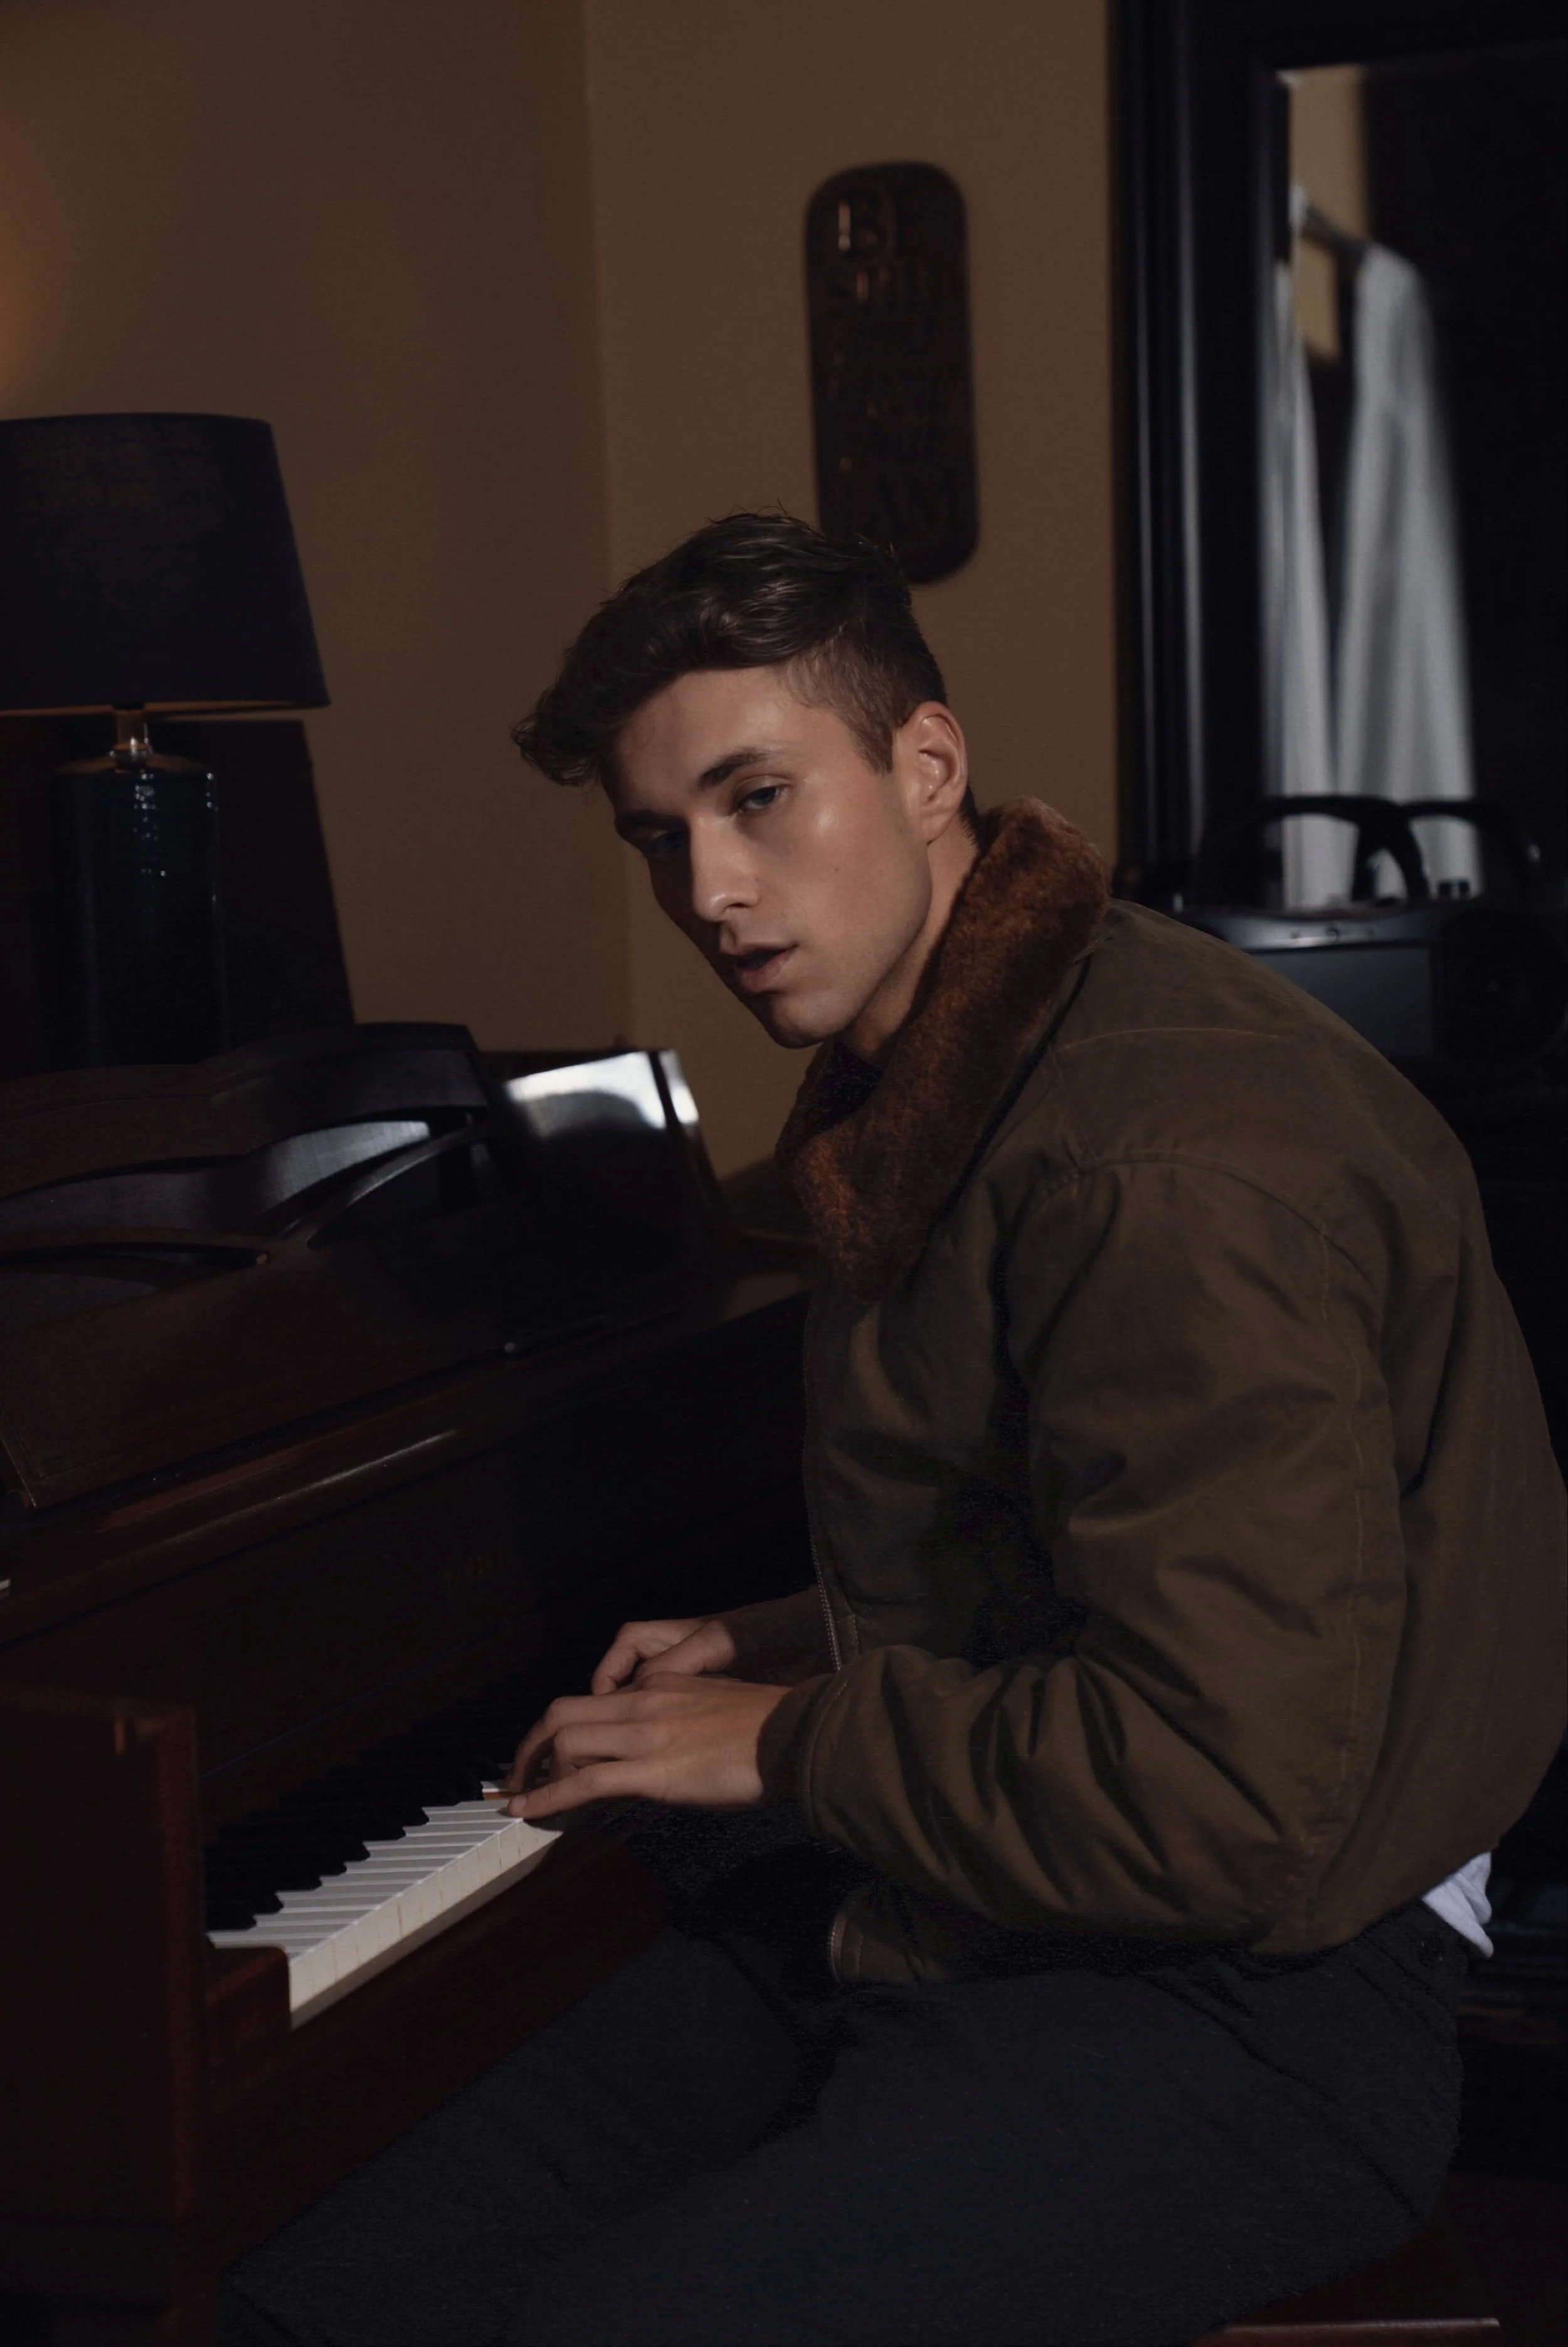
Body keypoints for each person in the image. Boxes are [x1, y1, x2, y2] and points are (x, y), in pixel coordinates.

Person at [220, 514, 1565, 2347]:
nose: (707, 889)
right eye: (657, 836)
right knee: (325, 2281)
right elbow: (1071, 1539)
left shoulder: (1154, 1165)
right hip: (971, 1889)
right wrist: (796, 1631)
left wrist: (779, 1743)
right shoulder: (961, 1053)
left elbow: (1230, 1802)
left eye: (757, 797)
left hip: (1268, 1988)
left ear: (924, 766)